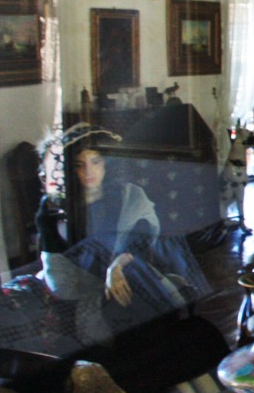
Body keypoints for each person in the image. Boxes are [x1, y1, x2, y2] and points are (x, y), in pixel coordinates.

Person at [35, 124, 211, 346]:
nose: (89, 172)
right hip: (89, 291)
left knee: (133, 270)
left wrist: (117, 264)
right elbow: (61, 281)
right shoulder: (55, 211)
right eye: (79, 165)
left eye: (96, 162)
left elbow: (144, 236)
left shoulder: (129, 195)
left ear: (106, 163)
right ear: (70, 169)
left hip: (134, 275)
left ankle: (166, 341)